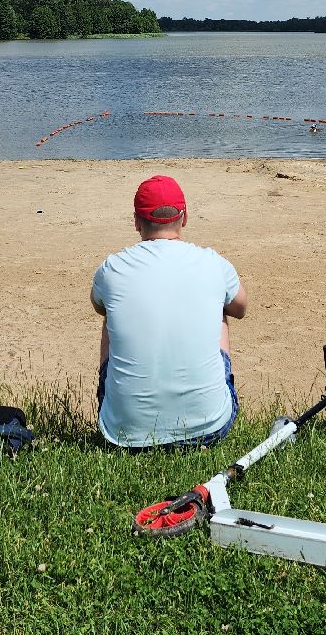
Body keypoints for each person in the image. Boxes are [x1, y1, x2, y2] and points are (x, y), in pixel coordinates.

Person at [91, 174, 247, 449]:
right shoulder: (213, 262)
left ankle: (135, 410)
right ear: (184, 218)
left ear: (137, 221)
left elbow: (98, 305)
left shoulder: (112, 268)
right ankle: (196, 409)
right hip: (209, 429)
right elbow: (241, 307)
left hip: (123, 435)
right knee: (221, 308)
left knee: (111, 316)